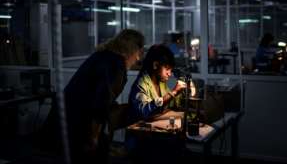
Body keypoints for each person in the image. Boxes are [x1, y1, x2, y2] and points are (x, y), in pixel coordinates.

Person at [41, 29, 144, 164]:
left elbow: (97, 93)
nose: (138, 59)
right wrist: (94, 137)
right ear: (132, 49)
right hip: (78, 123)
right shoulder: (116, 65)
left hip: (66, 117)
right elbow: (100, 103)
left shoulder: (102, 56)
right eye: (138, 53)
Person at [128, 44, 186, 122]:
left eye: (171, 70)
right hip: (140, 132)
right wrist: (174, 92)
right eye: (167, 69)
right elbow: (145, 111)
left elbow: (169, 103)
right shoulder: (141, 84)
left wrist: (181, 92)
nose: (169, 73)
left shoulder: (161, 83)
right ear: (155, 65)